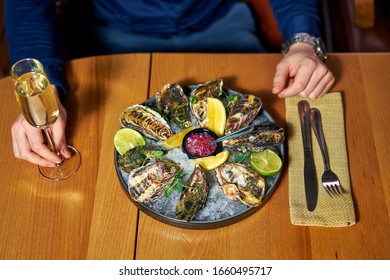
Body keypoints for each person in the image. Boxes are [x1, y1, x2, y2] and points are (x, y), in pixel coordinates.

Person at [5, 0, 335, 167]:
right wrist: (44, 89)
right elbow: (28, 5)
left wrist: (303, 39)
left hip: (221, 22)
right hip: (112, 38)